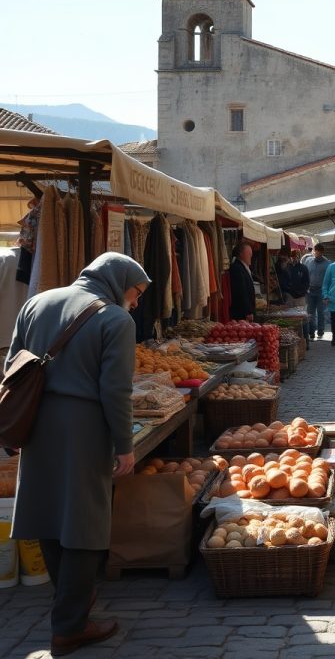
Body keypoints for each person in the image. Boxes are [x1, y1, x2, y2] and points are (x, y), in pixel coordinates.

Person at [7, 252, 149, 655]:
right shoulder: (116, 320)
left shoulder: (37, 302)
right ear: (117, 281)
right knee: (84, 522)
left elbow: (11, 366)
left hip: (35, 421)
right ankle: (70, 626)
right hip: (83, 428)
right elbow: (116, 391)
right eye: (135, 292)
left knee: (50, 514)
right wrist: (125, 446)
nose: (136, 302)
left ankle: (71, 601)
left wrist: (12, 424)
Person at [302, 243, 330, 340]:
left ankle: (321, 331)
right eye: (315, 252)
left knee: (321, 312)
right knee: (310, 312)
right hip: (310, 291)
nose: (316, 254)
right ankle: (311, 332)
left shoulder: (327, 264)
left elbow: (329, 279)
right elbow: (305, 275)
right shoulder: (308, 261)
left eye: (319, 253)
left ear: (322, 252)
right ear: (313, 251)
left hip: (321, 291)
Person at [229, 240, 256, 321]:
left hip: (245, 312)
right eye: (249, 253)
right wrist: (247, 311)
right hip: (241, 314)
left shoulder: (243, 267)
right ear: (241, 254)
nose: (251, 255)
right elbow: (241, 291)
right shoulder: (237, 268)